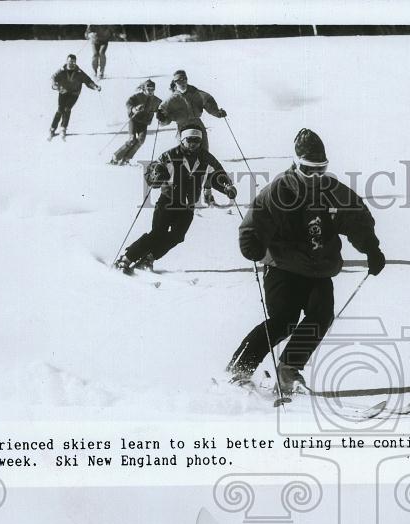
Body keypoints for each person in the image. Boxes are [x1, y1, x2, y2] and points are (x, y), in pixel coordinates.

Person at [225, 128, 386, 398]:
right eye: (308, 169)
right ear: (296, 163)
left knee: (321, 315)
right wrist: (252, 242)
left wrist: (371, 248)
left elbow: (356, 219)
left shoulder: (333, 191)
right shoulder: (280, 189)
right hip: (283, 266)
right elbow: (257, 218)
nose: (315, 176)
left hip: (320, 268)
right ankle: (238, 370)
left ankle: (288, 371)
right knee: (284, 319)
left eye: (320, 169)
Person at [116, 122, 237, 273]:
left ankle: (149, 259)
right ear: (182, 139)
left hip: (188, 205)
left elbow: (218, 175)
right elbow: (151, 173)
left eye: (197, 141)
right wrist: (156, 175)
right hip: (168, 201)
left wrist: (227, 187)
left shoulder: (206, 158)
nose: (193, 144)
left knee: (178, 236)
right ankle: (127, 258)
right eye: (189, 140)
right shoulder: (170, 155)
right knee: (157, 233)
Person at [155, 70, 228, 203]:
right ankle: (184, 191)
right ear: (174, 83)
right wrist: (161, 118)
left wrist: (218, 113)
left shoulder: (196, 93)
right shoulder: (172, 99)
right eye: (178, 81)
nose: (182, 82)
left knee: (205, 157)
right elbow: (163, 118)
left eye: (184, 79)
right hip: (183, 129)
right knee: (186, 159)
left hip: (198, 127)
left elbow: (209, 102)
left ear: (187, 79)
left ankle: (207, 189)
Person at [110, 79, 162, 166]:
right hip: (134, 120)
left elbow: (162, 108)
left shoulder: (156, 100)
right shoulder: (138, 96)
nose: (150, 91)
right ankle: (116, 157)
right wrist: (134, 109)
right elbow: (128, 103)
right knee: (132, 139)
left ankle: (126, 158)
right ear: (144, 89)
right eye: (148, 89)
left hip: (144, 123)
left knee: (141, 140)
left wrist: (161, 114)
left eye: (152, 89)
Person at [49, 54, 101, 139]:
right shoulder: (62, 70)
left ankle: (63, 127)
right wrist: (56, 87)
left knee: (67, 109)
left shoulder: (79, 72)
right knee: (60, 109)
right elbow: (53, 78)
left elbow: (88, 81)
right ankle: (52, 128)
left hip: (74, 93)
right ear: (66, 61)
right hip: (63, 92)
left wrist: (95, 87)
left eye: (73, 62)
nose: (71, 63)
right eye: (69, 61)